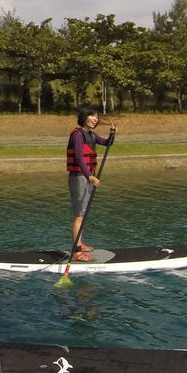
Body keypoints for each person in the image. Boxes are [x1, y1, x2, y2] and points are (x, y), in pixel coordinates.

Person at [66, 107, 116, 261]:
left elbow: (107, 144)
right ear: (84, 117)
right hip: (80, 178)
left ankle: (80, 243)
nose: (95, 118)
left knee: (83, 213)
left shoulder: (90, 135)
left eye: (96, 116)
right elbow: (80, 158)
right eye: (92, 116)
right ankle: (77, 251)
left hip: (86, 177)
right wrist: (89, 176)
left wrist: (112, 134)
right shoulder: (78, 135)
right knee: (79, 215)